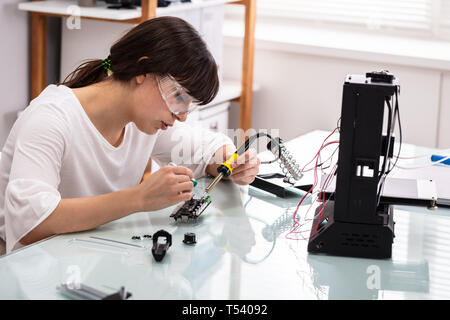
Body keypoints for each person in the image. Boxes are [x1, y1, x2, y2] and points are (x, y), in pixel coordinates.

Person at [0, 17, 260, 254]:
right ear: (143, 72)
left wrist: (231, 162)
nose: (182, 116)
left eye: (189, 104)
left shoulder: (142, 120)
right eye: (179, 96)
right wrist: (139, 199)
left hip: (87, 255)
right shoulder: (50, 118)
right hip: (27, 267)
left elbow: (207, 149)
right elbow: (31, 223)